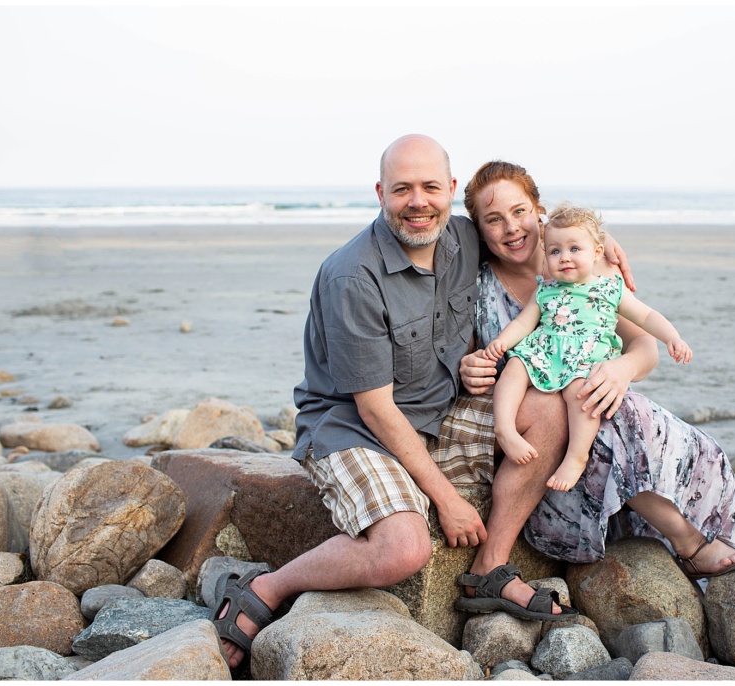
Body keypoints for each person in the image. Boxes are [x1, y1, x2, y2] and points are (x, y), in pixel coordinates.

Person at [210, 136, 575, 671]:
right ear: (381, 193)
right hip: (355, 428)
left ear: (451, 191)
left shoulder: (464, 238)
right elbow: (377, 410)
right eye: (403, 189)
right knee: (404, 550)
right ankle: (268, 585)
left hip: (440, 415)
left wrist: (607, 251)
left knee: (547, 407)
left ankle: (489, 568)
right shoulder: (352, 276)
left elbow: (538, 238)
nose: (419, 202)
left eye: (431, 187)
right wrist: (446, 499)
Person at [459, 160, 735, 579]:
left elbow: (645, 345)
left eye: (520, 212)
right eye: (493, 220)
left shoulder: (591, 270)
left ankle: (692, 538)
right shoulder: (475, 286)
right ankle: (690, 544)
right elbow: (472, 359)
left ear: (539, 211)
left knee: (610, 407)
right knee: (604, 418)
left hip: (591, 397)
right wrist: (472, 367)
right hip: (539, 435)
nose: (511, 228)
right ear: (478, 229)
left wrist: (621, 369)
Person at [485, 201, 692, 493]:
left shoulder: (609, 288)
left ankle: (576, 456)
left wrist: (672, 337)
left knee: (582, 393)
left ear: (597, 253)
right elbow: (522, 324)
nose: (564, 257)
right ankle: (504, 428)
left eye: (574, 249)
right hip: (546, 353)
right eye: (555, 251)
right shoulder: (544, 289)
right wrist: (502, 343)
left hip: (586, 359)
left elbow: (646, 315)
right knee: (515, 366)